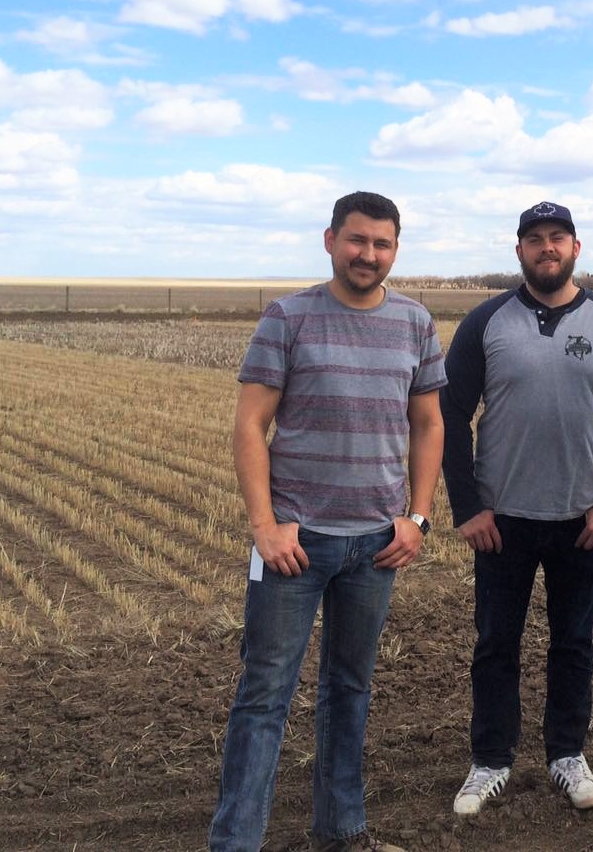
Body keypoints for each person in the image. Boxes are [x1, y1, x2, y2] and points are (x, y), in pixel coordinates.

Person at [209, 191, 446, 852]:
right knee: (263, 698)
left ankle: (341, 834)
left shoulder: (414, 323)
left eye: (382, 243)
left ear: (395, 249)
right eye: (357, 240)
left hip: (376, 546)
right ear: (330, 240)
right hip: (296, 545)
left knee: (350, 691)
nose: (368, 254)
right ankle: (235, 844)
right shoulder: (289, 317)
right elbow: (250, 425)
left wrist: (417, 518)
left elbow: (428, 423)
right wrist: (265, 525)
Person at [442, 201, 593, 816]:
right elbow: (449, 416)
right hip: (502, 520)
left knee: (574, 642)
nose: (546, 248)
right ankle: (491, 761)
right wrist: (469, 506)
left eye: (557, 238)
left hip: (584, 520)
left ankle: (566, 754)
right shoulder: (485, 322)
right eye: (535, 239)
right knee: (495, 643)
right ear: (519, 251)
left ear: (576, 248)